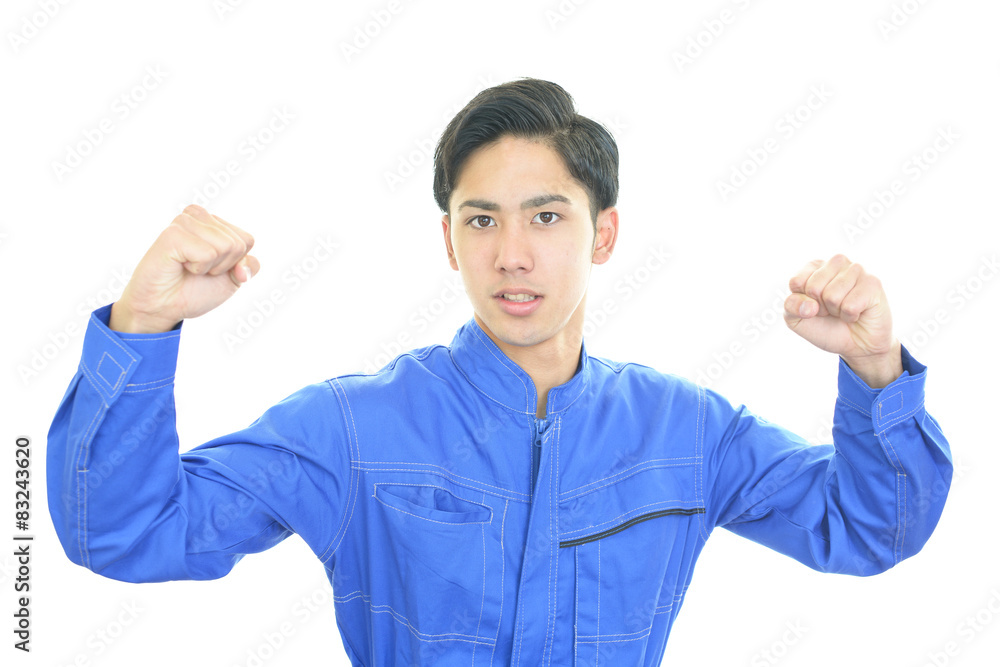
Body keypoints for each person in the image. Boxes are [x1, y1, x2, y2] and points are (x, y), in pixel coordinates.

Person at [48, 78, 953, 666]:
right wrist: (143, 323)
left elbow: (870, 527)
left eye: (546, 217)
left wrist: (876, 366)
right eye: (481, 220)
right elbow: (124, 530)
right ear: (449, 240)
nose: (512, 254)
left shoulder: (688, 432)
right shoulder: (350, 429)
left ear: (603, 234)